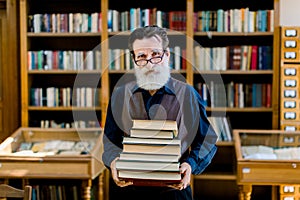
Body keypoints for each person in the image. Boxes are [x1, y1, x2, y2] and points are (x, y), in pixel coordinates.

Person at [102, 25, 218, 200]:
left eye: (156, 54)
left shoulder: (187, 94)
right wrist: (113, 161)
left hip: (174, 192)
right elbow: (110, 142)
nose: (150, 64)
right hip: (129, 191)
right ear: (134, 60)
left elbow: (207, 139)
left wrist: (190, 164)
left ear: (167, 55)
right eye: (142, 56)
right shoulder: (120, 95)